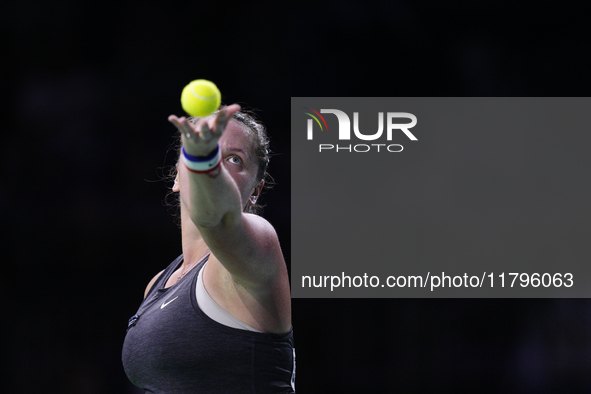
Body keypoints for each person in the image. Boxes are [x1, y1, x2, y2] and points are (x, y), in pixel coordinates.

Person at [122, 104, 295, 393]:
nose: (216, 163)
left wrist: (202, 161)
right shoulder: (159, 284)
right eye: (205, 151)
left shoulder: (259, 245)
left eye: (234, 159)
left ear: (255, 191)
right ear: (176, 176)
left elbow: (217, 218)